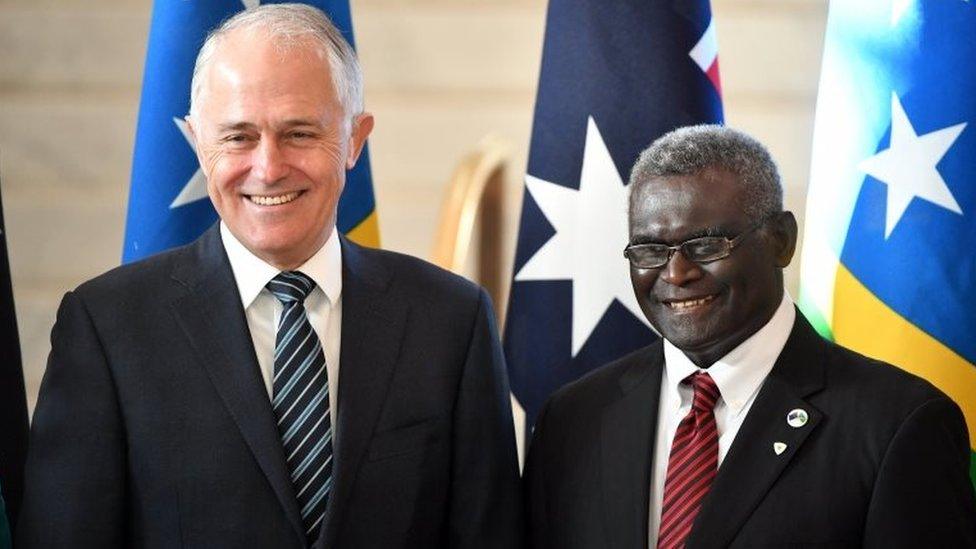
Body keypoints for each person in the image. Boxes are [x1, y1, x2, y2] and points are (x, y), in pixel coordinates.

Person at [18, 5, 521, 548]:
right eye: (237, 137)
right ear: (195, 141)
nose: (268, 167)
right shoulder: (107, 328)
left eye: (299, 132)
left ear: (355, 138)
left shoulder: (450, 321)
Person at [524, 125, 976, 548]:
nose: (676, 273)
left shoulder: (897, 424)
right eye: (650, 250)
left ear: (781, 240)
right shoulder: (574, 419)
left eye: (706, 245)